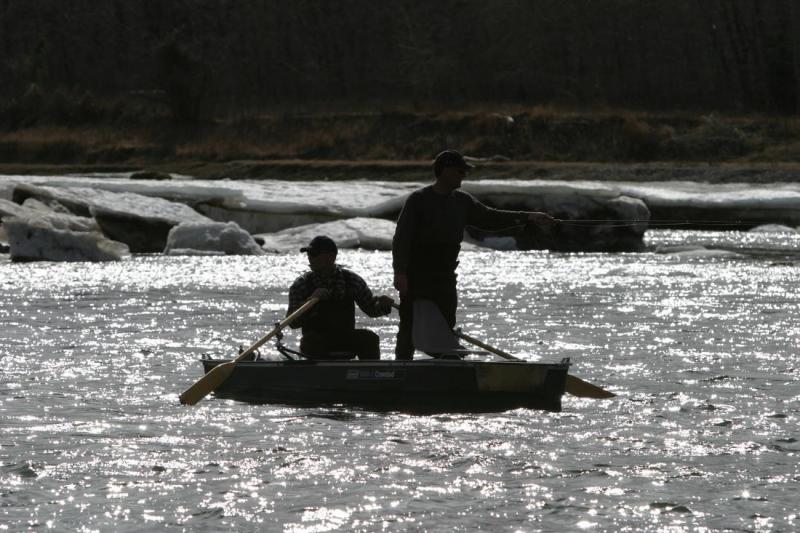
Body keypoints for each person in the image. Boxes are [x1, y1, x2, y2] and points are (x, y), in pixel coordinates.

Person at [392, 149, 557, 360]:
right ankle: (400, 368)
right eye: (460, 170)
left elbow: (490, 218)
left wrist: (528, 217)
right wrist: (400, 272)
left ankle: (448, 367)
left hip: (445, 278)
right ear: (445, 171)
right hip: (417, 276)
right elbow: (401, 238)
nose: (464, 175)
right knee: (409, 324)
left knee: (445, 325)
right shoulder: (418, 200)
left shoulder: (463, 201)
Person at [287, 235, 394, 360]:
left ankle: (371, 376)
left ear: (331, 257)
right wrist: (311, 300)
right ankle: (317, 376)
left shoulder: (352, 280)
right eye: (309, 254)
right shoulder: (301, 284)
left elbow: (371, 309)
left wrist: (383, 306)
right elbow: (292, 322)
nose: (310, 258)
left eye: (314, 254)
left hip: (345, 337)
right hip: (317, 340)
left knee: (369, 338)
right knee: (310, 341)